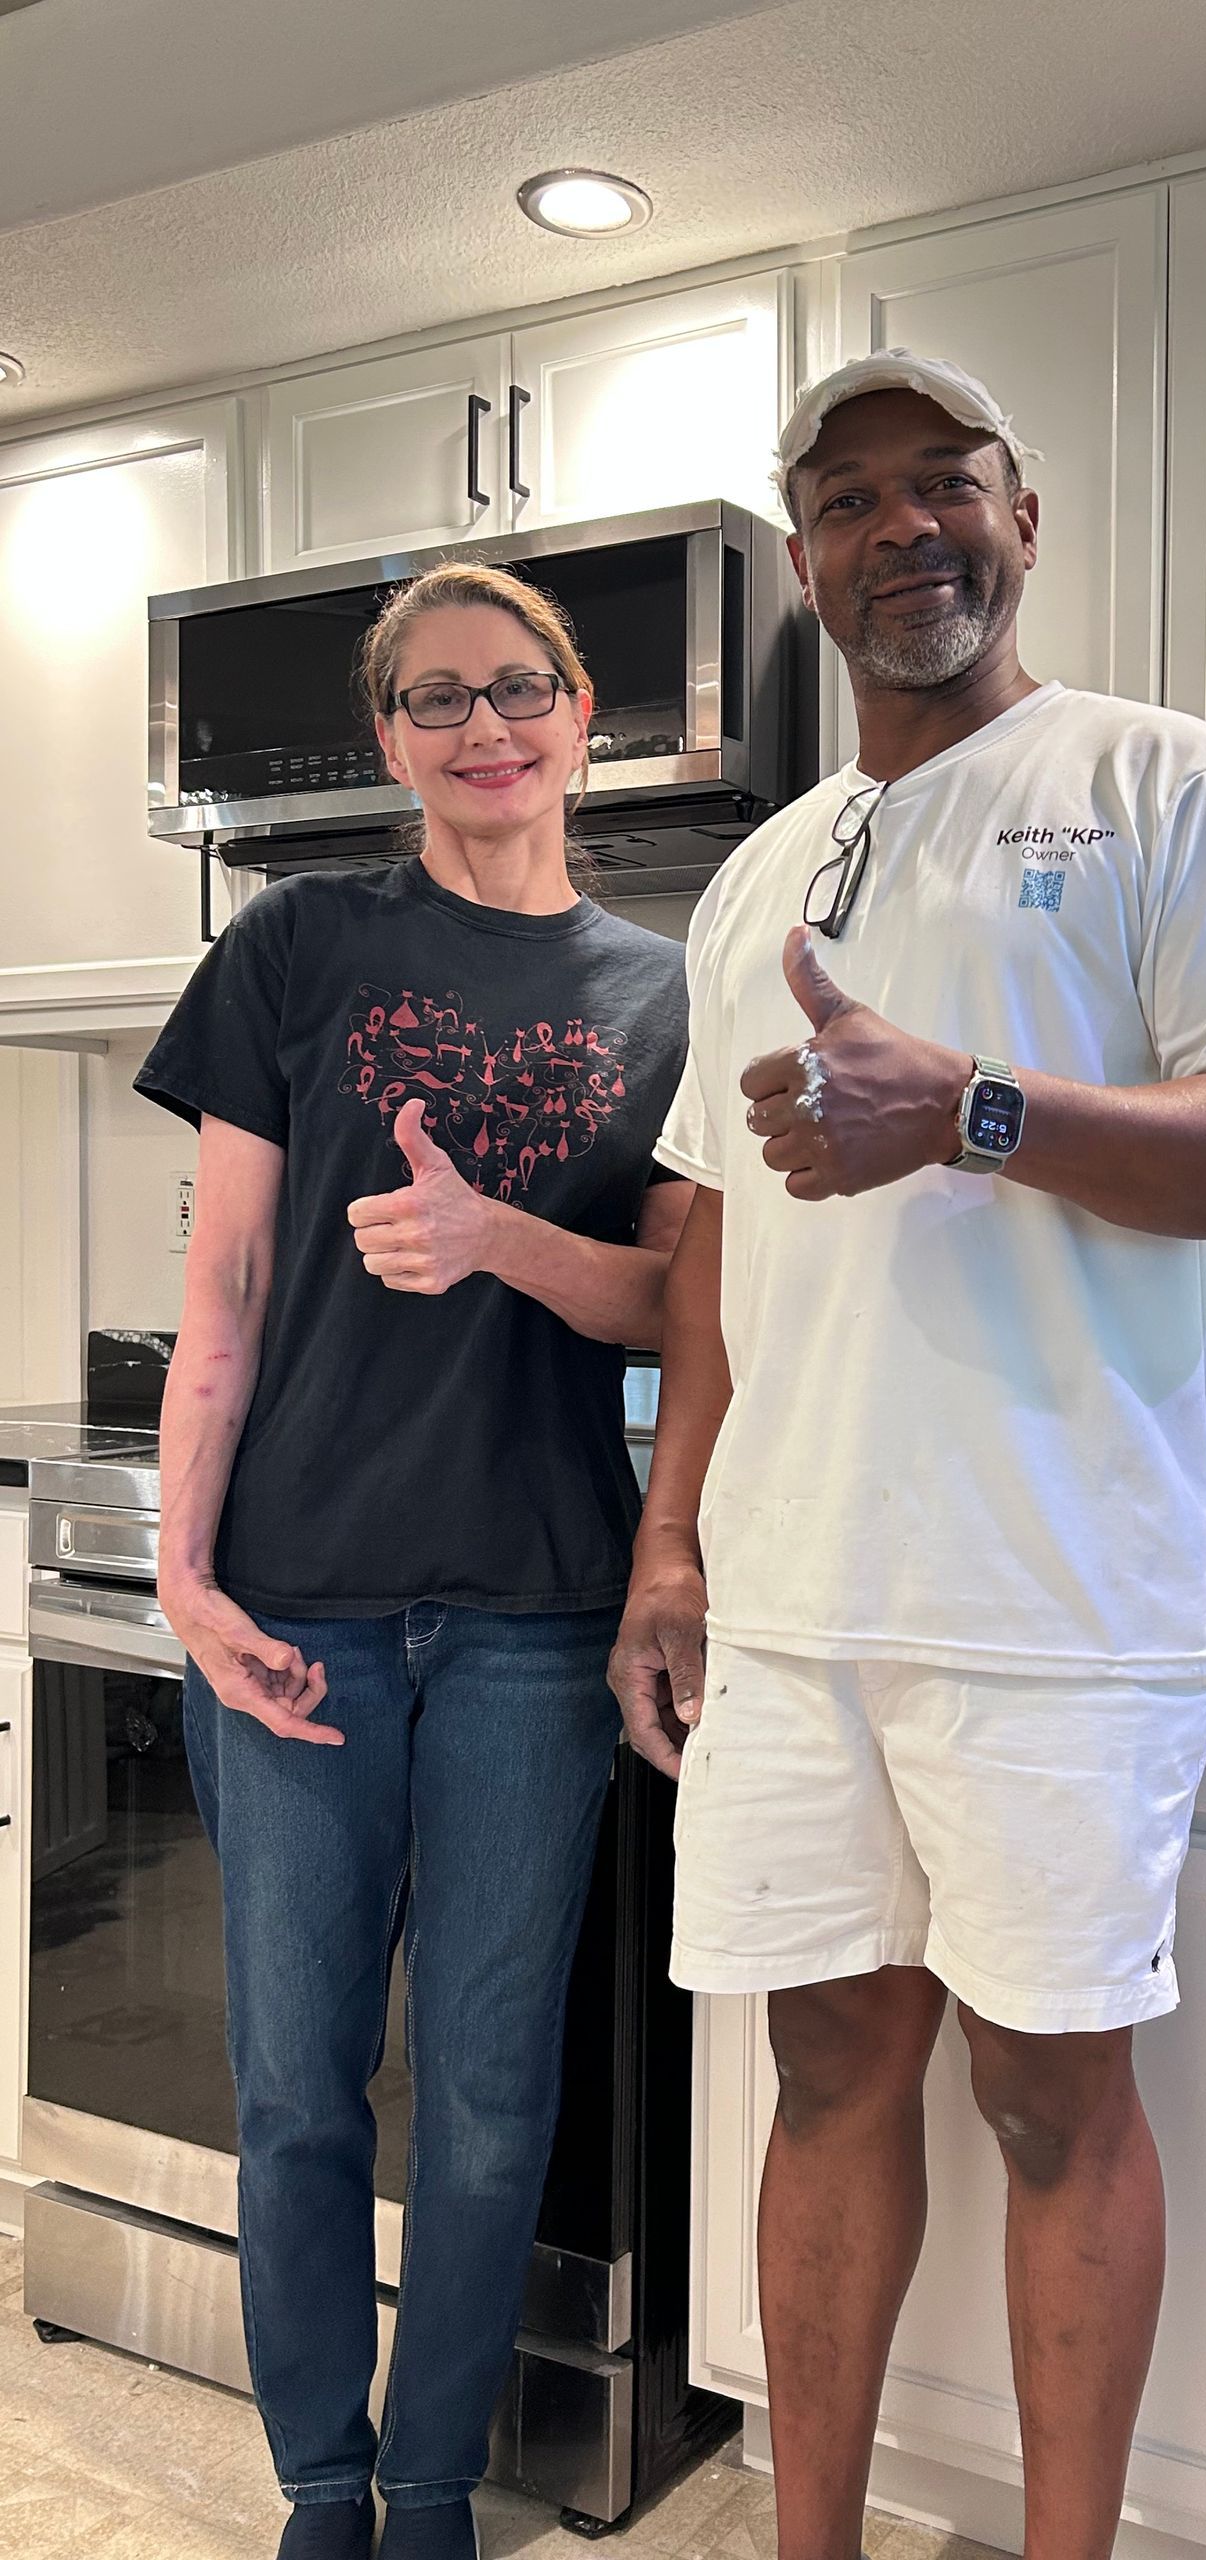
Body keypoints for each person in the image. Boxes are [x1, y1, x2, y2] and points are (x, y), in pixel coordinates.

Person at [609, 351, 1206, 2560]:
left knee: (1051, 2088)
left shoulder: (1161, 786)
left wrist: (974, 1108)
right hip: (796, 1577)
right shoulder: (755, 877)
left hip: (1060, 1588)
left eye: (944, 480)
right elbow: (715, 1251)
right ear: (803, 564)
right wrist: (671, 1542)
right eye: (848, 498)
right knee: (826, 2067)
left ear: (1024, 514)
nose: (900, 525)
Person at [139, 560, 692, 2560]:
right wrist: (183, 1582)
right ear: (390, 740)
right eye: (438, 697)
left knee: (483, 2092)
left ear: (580, 705)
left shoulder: (660, 988)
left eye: (518, 684)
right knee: (296, 2080)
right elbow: (223, 1289)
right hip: (296, 1597)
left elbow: (673, 1306)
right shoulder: (296, 947)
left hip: (540, 1612)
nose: (486, 725)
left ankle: (434, 2488)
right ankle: (320, 2489)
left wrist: (498, 1240)